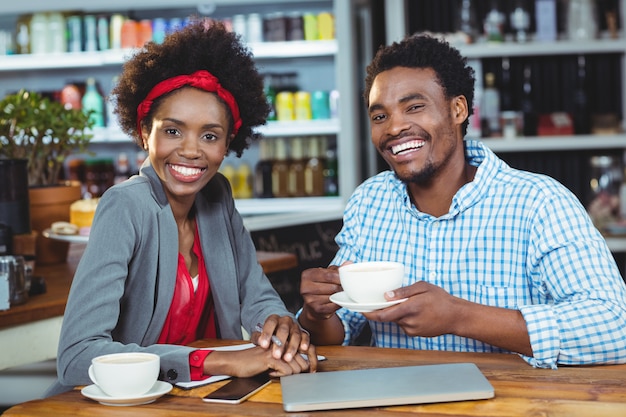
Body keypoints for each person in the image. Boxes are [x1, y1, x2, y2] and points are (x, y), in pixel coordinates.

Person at [298, 33, 626, 369]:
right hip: (397, 402)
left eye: (414, 107)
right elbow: (340, 333)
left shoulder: (539, 203)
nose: (394, 127)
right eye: (380, 116)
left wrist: (460, 316)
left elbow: (614, 327)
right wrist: (316, 312)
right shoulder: (370, 202)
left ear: (458, 109)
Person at [48, 19, 316, 396]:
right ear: (144, 132)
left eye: (209, 135)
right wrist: (216, 360)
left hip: (210, 397)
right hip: (135, 403)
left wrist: (279, 325)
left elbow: (255, 294)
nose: (191, 150)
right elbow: (77, 355)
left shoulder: (217, 195)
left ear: (227, 145)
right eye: (173, 130)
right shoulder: (125, 206)